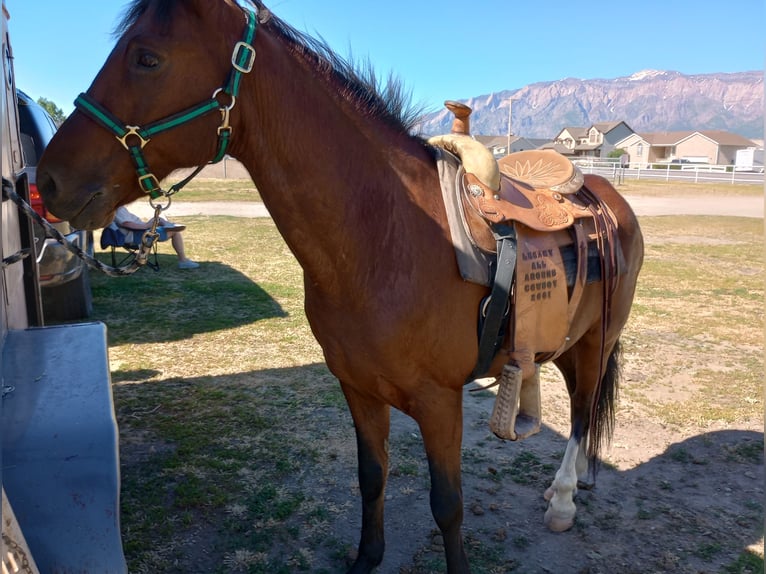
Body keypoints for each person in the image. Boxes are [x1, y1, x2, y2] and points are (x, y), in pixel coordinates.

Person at [113, 205, 200, 269]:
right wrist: (147, 225)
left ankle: (167, 225)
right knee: (174, 232)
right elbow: (127, 224)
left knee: (159, 219)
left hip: (139, 232)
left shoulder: (116, 208)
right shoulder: (117, 209)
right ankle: (183, 261)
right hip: (138, 235)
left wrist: (147, 225)